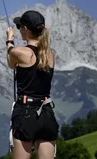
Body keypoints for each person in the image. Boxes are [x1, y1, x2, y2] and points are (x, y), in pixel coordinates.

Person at [6, 10, 59, 159]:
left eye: (19, 27)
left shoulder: (20, 53)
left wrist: (9, 41)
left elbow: (11, 62)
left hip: (25, 113)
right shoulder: (49, 55)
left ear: (25, 30)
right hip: (46, 113)